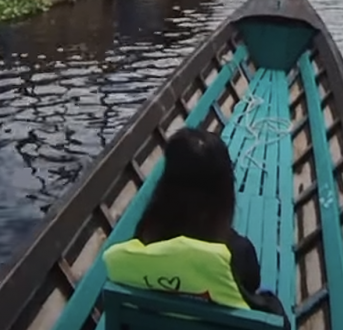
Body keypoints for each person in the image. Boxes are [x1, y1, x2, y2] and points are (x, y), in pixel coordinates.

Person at [103, 128, 288, 324]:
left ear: (165, 185)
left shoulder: (139, 245)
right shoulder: (238, 253)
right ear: (224, 192)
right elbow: (252, 286)